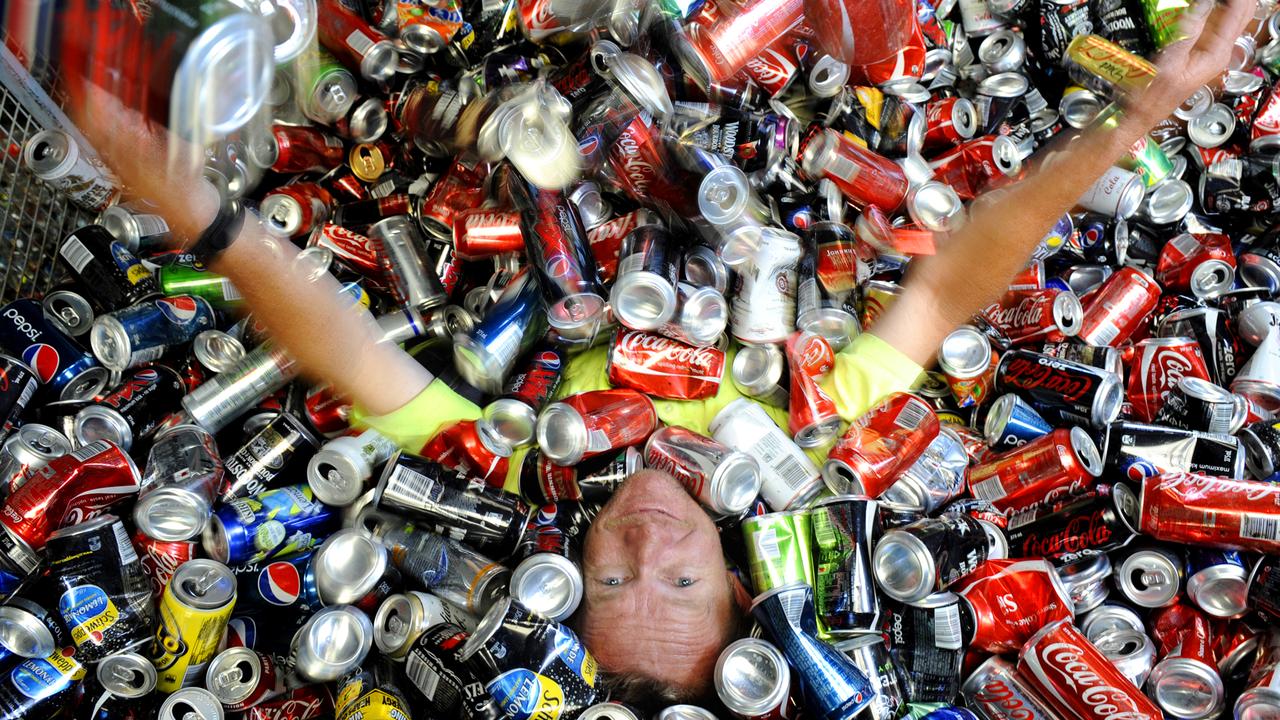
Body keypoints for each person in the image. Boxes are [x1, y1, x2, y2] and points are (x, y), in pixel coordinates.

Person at [65, 0, 1254, 704]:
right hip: (751, 130)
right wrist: (1141, 112)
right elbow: (952, 281)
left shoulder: (507, 472)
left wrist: (202, 220)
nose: (642, 542)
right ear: (742, 582)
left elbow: (336, 343)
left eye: (612, 581)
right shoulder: (806, 438)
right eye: (679, 583)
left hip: (534, 126)